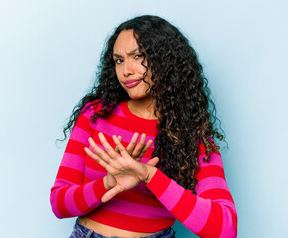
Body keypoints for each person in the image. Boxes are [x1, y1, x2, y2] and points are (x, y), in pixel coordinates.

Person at [50, 15, 237, 238]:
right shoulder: (95, 114)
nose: (126, 70)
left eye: (137, 56)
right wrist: (108, 183)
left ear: (165, 60)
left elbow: (225, 229)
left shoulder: (191, 135)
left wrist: (149, 175)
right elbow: (59, 204)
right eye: (119, 60)